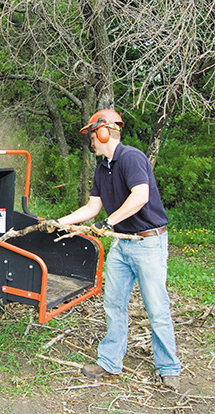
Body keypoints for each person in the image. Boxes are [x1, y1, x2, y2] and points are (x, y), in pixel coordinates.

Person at [54, 109, 181, 390]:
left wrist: (108, 222)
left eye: (91, 136)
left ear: (103, 131)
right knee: (113, 303)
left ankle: (169, 368)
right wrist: (58, 222)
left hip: (148, 242)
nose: (90, 143)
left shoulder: (131, 158)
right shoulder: (102, 169)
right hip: (122, 244)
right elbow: (92, 208)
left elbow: (140, 196)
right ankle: (110, 362)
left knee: (156, 307)